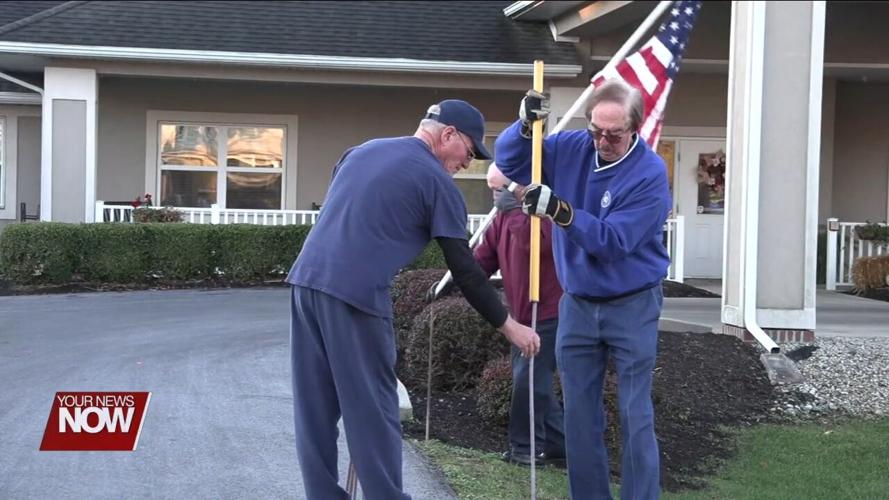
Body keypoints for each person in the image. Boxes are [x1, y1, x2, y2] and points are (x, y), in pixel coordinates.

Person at [285, 99, 540, 500]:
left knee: (314, 407)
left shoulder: (362, 151)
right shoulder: (437, 183)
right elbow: (466, 270)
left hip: (306, 283)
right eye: (469, 152)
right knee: (374, 410)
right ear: (448, 135)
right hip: (356, 296)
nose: (468, 163)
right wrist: (510, 326)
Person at [495, 80, 672, 500]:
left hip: (633, 303)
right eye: (596, 131)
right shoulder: (575, 147)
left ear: (636, 129)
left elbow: (612, 243)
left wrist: (559, 210)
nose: (603, 142)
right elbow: (512, 162)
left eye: (614, 134)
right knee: (579, 416)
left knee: (633, 412)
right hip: (577, 303)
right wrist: (524, 125)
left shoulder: (649, 174)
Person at [472, 164, 566, 467]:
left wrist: (514, 212)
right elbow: (484, 258)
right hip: (521, 316)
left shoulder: (547, 215)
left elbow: (535, 245)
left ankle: (524, 447)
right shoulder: (502, 218)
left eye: (500, 189)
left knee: (529, 380)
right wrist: (457, 278)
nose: (495, 196)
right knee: (532, 380)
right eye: (492, 190)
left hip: (550, 310)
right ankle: (559, 445)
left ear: (517, 187)